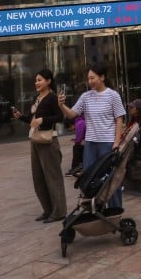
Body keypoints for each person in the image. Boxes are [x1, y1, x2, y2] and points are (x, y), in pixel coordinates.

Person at [58, 64, 126, 210]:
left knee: (110, 178)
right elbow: (72, 114)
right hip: (90, 144)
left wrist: (116, 142)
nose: (90, 81)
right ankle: (95, 209)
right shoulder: (85, 97)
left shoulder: (113, 95)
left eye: (93, 78)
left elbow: (119, 119)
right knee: (89, 177)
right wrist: (62, 105)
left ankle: (115, 210)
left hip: (107, 143)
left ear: (102, 77)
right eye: (88, 78)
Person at [12, 69, 66, 222]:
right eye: (36, 80)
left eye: (40, 80)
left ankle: (59, 212)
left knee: (53, 178)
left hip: (48, 141)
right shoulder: (37, 98)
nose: (36, 83)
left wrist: (42, 120)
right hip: (35, 140)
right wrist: (21, 116)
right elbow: (31, 119)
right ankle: (48, 210)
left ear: (48, 81)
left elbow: (60, 117)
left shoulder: (52, 98)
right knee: (38, 178)